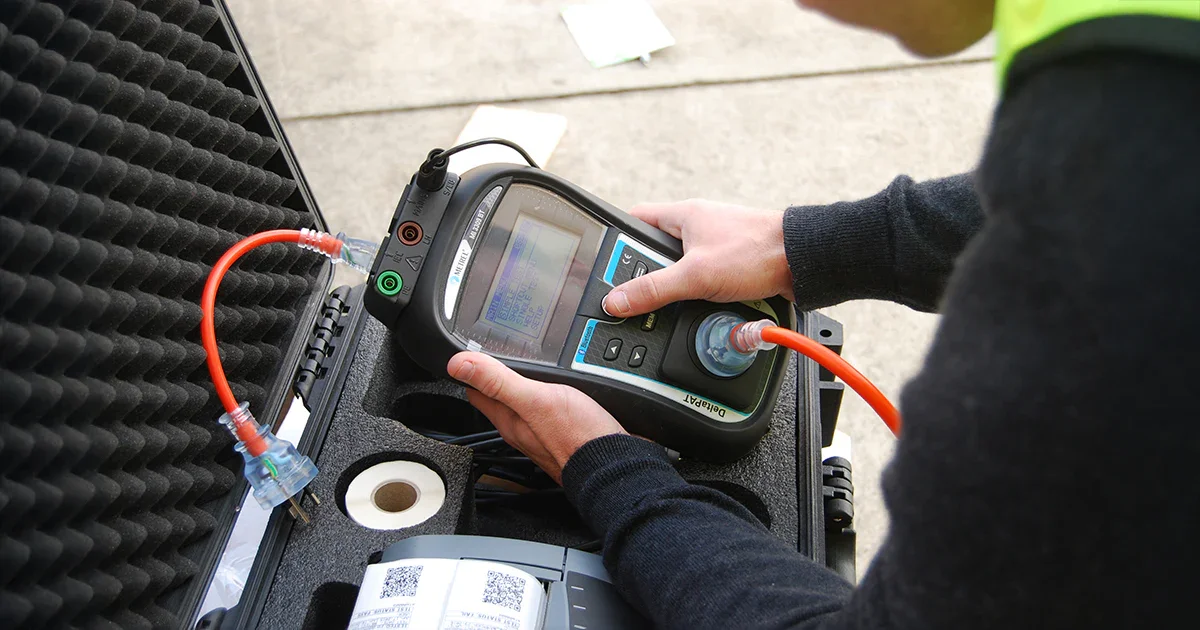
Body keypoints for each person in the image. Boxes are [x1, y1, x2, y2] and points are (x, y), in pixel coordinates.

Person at [448, 1, 1200, 628]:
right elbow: (1086, 191)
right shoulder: (1139, 82)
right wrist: (811, 244)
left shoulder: (1095, 335)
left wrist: (614, 477)